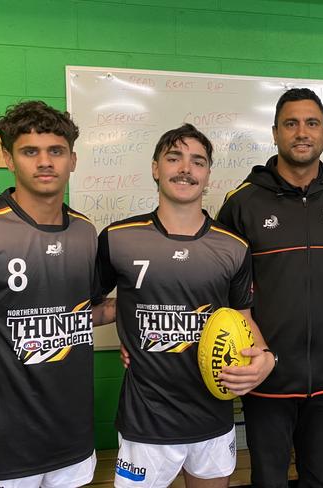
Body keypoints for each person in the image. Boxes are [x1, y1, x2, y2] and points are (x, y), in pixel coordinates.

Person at [95, 123, 275, 488]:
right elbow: (90, 307)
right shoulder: (118, 238)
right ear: (155, 167)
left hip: (212, 415)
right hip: (146, 420)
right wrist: (127, 316)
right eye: (174, 158)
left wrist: (267, 356)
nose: (185, 169)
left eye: (197, 161)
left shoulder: (233, 247)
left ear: (208, 174)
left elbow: (243, 318)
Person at [216, 88, 323, 487]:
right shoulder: (242, 202)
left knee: (321, 480)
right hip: (266, 375)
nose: (302, 132)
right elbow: (221, 284)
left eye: (311, 123)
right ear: (276, 132)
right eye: (291, 123)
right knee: (268, 480)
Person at [0, 101, 99, 487]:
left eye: (56, 151)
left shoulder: (85, 231)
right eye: (30, 151)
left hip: (73, 445)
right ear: (9, 159)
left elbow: (81, 313)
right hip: (0, 450)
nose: (45, 162)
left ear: (73, 160)